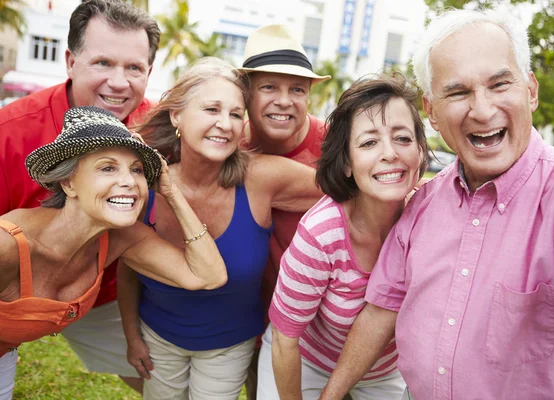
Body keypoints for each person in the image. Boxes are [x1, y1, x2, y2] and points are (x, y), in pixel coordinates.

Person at [319, 8, 554, 400]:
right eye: (458, 92)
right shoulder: (421, 204)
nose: (482, 111)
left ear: (531, 91)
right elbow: (383, 309)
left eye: (499, 85)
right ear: (431, 111)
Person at [117, 57, 323, 400]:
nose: (225, 124)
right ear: (176, 115)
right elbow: (128, 268)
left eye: (235, 114)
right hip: (158, 336)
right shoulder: (143, 182)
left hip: (231, 343)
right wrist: (132, 336)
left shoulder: (261, 177)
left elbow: (347, 191)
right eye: (211, 109)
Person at [0, 106, 228, 400]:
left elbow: (208, 275)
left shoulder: (119, 238)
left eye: (136, 169)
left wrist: (171, 193)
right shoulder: (8, 245)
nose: (130, 182)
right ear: (69, 183)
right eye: (108, 167)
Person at [0, 0, 160, 392]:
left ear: (149, 72)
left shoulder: (159, 129)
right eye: (103, 63)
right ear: (70, 61)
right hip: (16, 289)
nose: (120, 82)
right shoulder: (10, 133)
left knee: (163, 385)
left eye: (134, 68)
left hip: (103, 288)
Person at [257, 73, 429, 400]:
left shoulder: (429, 218)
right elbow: (285, 339)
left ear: (420, 150)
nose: (390, 153)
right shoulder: (321, 233)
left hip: (383, 368)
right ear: (347, 163)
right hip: (305, 356)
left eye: (403, 139)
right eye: (369, 142)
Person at [236, 24, 330, 400]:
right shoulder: (226, 141)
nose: (284, 100)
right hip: (255, 312)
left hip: (329, 316)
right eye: (269, 87)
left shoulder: (335, 145)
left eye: (297, 89)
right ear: (246, 93)